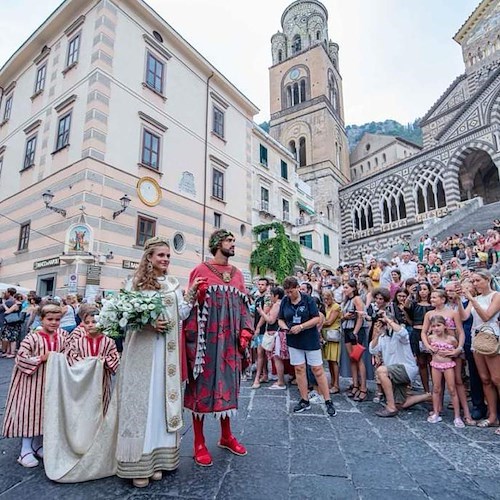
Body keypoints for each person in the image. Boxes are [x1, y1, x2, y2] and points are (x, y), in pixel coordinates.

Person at [184, 229, 254, 467]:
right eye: (229, 240)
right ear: (216, 244)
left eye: (234, 240)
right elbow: (188, 304)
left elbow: (245, 306)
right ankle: (199, 442)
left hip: (230, 343)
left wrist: (246, 331)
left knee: (228, 387)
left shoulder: (237, 274)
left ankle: (226, 436)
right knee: (201, 389)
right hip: (206, 342)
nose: (233, 244)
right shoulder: (200, 270)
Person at [2, 304, 68, 467]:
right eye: (50, 319)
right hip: (32, 383)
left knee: (46, 412)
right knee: (30, 412)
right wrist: (40, 358)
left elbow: (69, 354)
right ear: (41, 319)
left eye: (57, 319)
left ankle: (38, 444)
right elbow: (21, 358)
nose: (54, 322)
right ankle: (25, 450)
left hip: (53, 381)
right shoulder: (32, 337)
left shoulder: (63, 336)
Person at [278, 277, 336, 417]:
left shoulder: (308, 300)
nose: (289, 295)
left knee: (317, 369)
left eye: (291, 291)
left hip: (309, 338)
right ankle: (304, 399)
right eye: (287, 292)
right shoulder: (285, 301)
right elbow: (280, 318)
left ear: (297, 287)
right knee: (299, 369)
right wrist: (286, 327)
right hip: (293, 338)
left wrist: (301, 326)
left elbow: (316, 318)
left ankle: (328, 400)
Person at [458, 270, 500, 433]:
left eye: (477, 281)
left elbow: (486, 316)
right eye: (473, 281)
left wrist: (471, 299)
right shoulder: (474, 299)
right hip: (477, 339)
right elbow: (464, 317)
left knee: (497, 379)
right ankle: (492, 416)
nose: (475, 284)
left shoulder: (496, 296)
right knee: (485, 379)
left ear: (487, 279)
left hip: (492, 338)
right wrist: (458, 301)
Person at [369, 312, 430, 418]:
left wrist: (388, 320)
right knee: (400, 404)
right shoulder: (383, 337)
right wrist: (378, 333)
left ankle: (390, 407)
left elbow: (403, 333)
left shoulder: (399, 334)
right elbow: (372, 349)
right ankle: (427, 396)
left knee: (381, 371)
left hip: (405, 369)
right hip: (393, 372)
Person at [66, 307, 120, 414]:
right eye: (87, 322)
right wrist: (88, 363)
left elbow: (114, 359)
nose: (90, 325)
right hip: (83, 382)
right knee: (82, 408)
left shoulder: (109, 342)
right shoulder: (78, 343)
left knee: (101, 408)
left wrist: (103, 362)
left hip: (102, 382)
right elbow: (72, 359)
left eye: (94, 322)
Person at [425, 316, 463, 427]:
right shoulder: (431, 338)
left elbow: (456, 350)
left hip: (448, 365)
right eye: (433, 326)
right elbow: (428, 349)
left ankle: (457, 416)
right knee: (436, 388)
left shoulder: (451, 339)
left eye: (438, 325)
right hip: (435, 364)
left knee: (452, 389)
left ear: (445, 326)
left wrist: (451, 353)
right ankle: (436, 412)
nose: (436, 328)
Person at [341, 279, 368, 402]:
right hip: (347, 330)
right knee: (353, 358)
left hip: (355, 330)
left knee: (359, 359)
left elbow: (360, 317)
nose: (344, 289)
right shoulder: (346, 300)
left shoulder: (356, 299)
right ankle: (355, 384)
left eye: (346, 287)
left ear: (353, 288)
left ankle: (363, 388)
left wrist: (355, 332)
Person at [405, 283, 434, 393]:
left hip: (430, 333)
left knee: (431, 361)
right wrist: (410, 293)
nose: (422, 291)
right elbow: (406, 307)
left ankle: (434, 389)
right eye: (420, 289)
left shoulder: (432, 305)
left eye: (425, 289)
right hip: (417, 333)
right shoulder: (415, 304)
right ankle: (426, 390)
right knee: (421, 362)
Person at [260, 287, 287, 389]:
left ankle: (280, 382)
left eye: (271, 295)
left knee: (277, 358)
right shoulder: (280, 304)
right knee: (277, 357)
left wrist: (262, 312)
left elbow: (271, 320)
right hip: (278, 333)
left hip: (276, 333)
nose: (270, 297)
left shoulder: (277, 305)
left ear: (276, 295)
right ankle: (280, 380)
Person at [251, 277, 271, 388]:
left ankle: (257, 378)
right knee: (261, 354)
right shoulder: (258, 297)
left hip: (264, 328)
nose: (260, 286)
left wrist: (258, 327)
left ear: (267, 286)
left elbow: (265, 314)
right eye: (259, 284)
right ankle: (265, 374)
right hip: (258, 326)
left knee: (260, 354)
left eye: (263, 284)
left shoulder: (267, 298)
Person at [322, 290, 341, 394]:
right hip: (327, 335)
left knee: (334, 361)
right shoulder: (327, 307)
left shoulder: (335, 307)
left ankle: (336, 384)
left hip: (332, 335)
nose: (326, 301)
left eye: (327, 299)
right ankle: (332, 382)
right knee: (329, 361)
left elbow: (329, 321)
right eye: (324, 299)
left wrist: (319, 322)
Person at [1, 293, 24, 358]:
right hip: (15, 323)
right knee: (10, 338)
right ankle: (8, 352)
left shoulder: (16, 305)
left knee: (12, 338)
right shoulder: (20, 304)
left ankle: (12, 353)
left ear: (14, 298)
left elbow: (7, 311)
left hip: (12, 323)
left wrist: (4, 304)